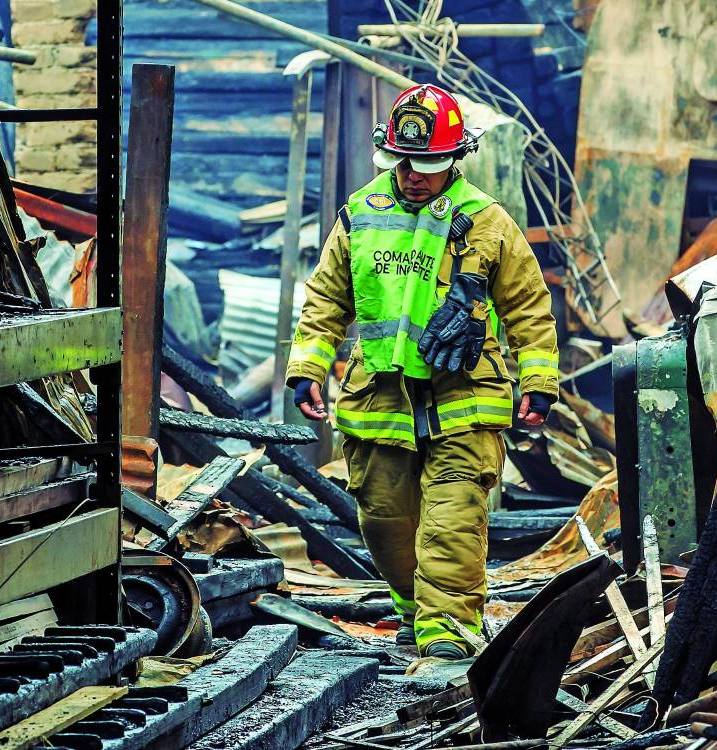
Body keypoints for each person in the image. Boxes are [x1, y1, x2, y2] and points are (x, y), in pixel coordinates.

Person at [285, 83, 561, 659]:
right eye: (405, 162)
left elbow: (528, 308)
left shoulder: (487, 223)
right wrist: (307, 366)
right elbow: (326, 299)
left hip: (464, 400)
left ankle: (448, 648)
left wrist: (537, 382)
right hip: (379, 401)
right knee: (385, 524)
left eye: (430, 163)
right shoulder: (360, 215)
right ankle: (415, 610)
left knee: (451, 525)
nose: (414, 174)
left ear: (457, 157)